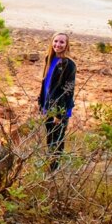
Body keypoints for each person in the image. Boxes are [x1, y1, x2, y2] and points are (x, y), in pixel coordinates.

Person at [37, 32, 76, 172]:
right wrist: (41, 104)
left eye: (61, 42)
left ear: (67, 45)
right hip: (48, 107)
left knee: (57, 140)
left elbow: (67, 91)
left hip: (60, 109)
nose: (58, 45)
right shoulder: (49, 59)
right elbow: (45, 84)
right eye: (56, 41)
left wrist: (59, 115)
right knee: (49, 137)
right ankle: (50, 165)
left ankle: (55, 170)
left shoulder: (69, 65)